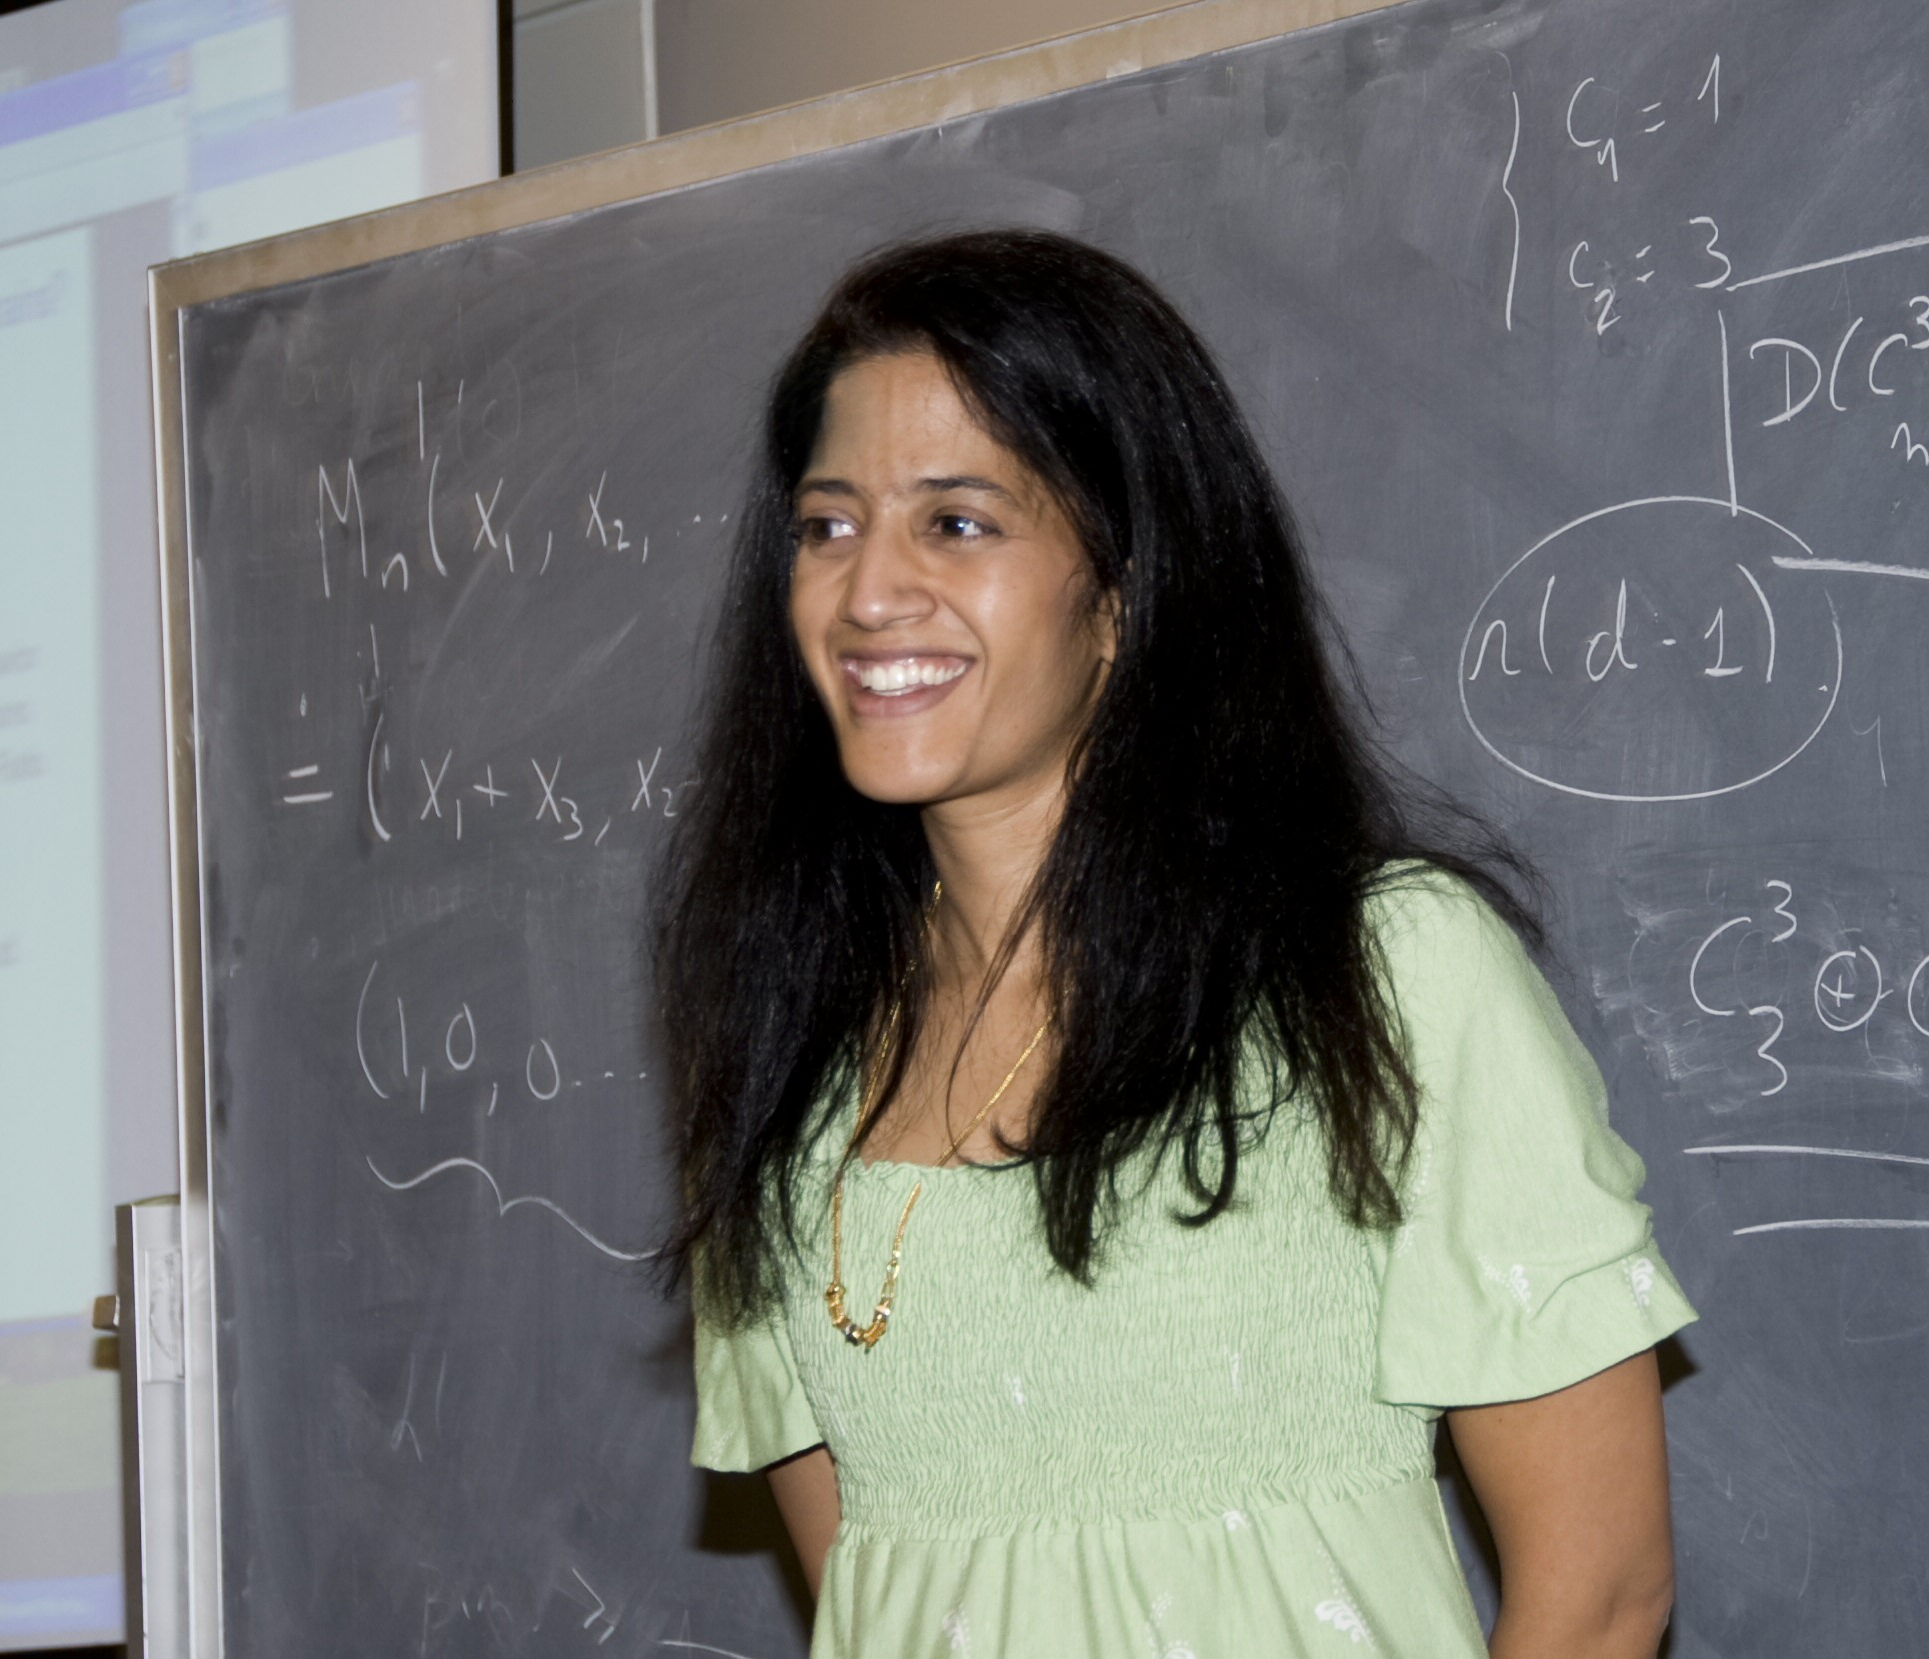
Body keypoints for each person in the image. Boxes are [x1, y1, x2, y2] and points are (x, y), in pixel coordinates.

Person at [655, 228, 1697, 1658]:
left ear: (1125, 594)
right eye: (828, 526)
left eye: (957, 523)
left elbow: (1602, 1594)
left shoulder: (1390, 977)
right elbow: (879, 1596)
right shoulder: (788, 1046)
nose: (868, 592)